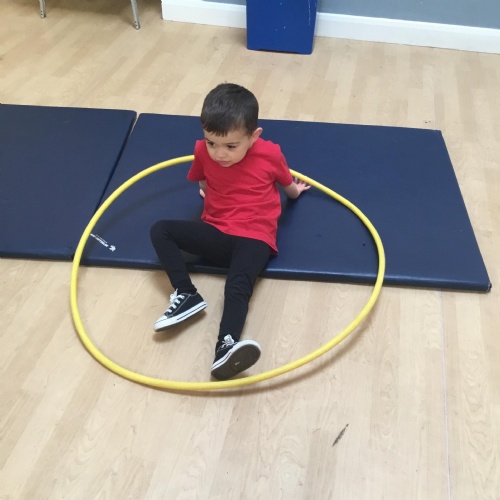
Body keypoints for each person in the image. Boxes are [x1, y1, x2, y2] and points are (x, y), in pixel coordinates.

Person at [150, 83, 310, 380]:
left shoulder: (270, 153)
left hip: (255, 236)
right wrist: (208, 192)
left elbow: (287, 184)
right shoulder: (202, 151)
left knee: (237, 285)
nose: (219, 154)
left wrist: (295, 192)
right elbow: (203, 179)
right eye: (212, 142)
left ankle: (226, 345)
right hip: (218, 232)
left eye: (231, 146)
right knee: (161, 230)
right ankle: (186, 293)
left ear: (254, 136)